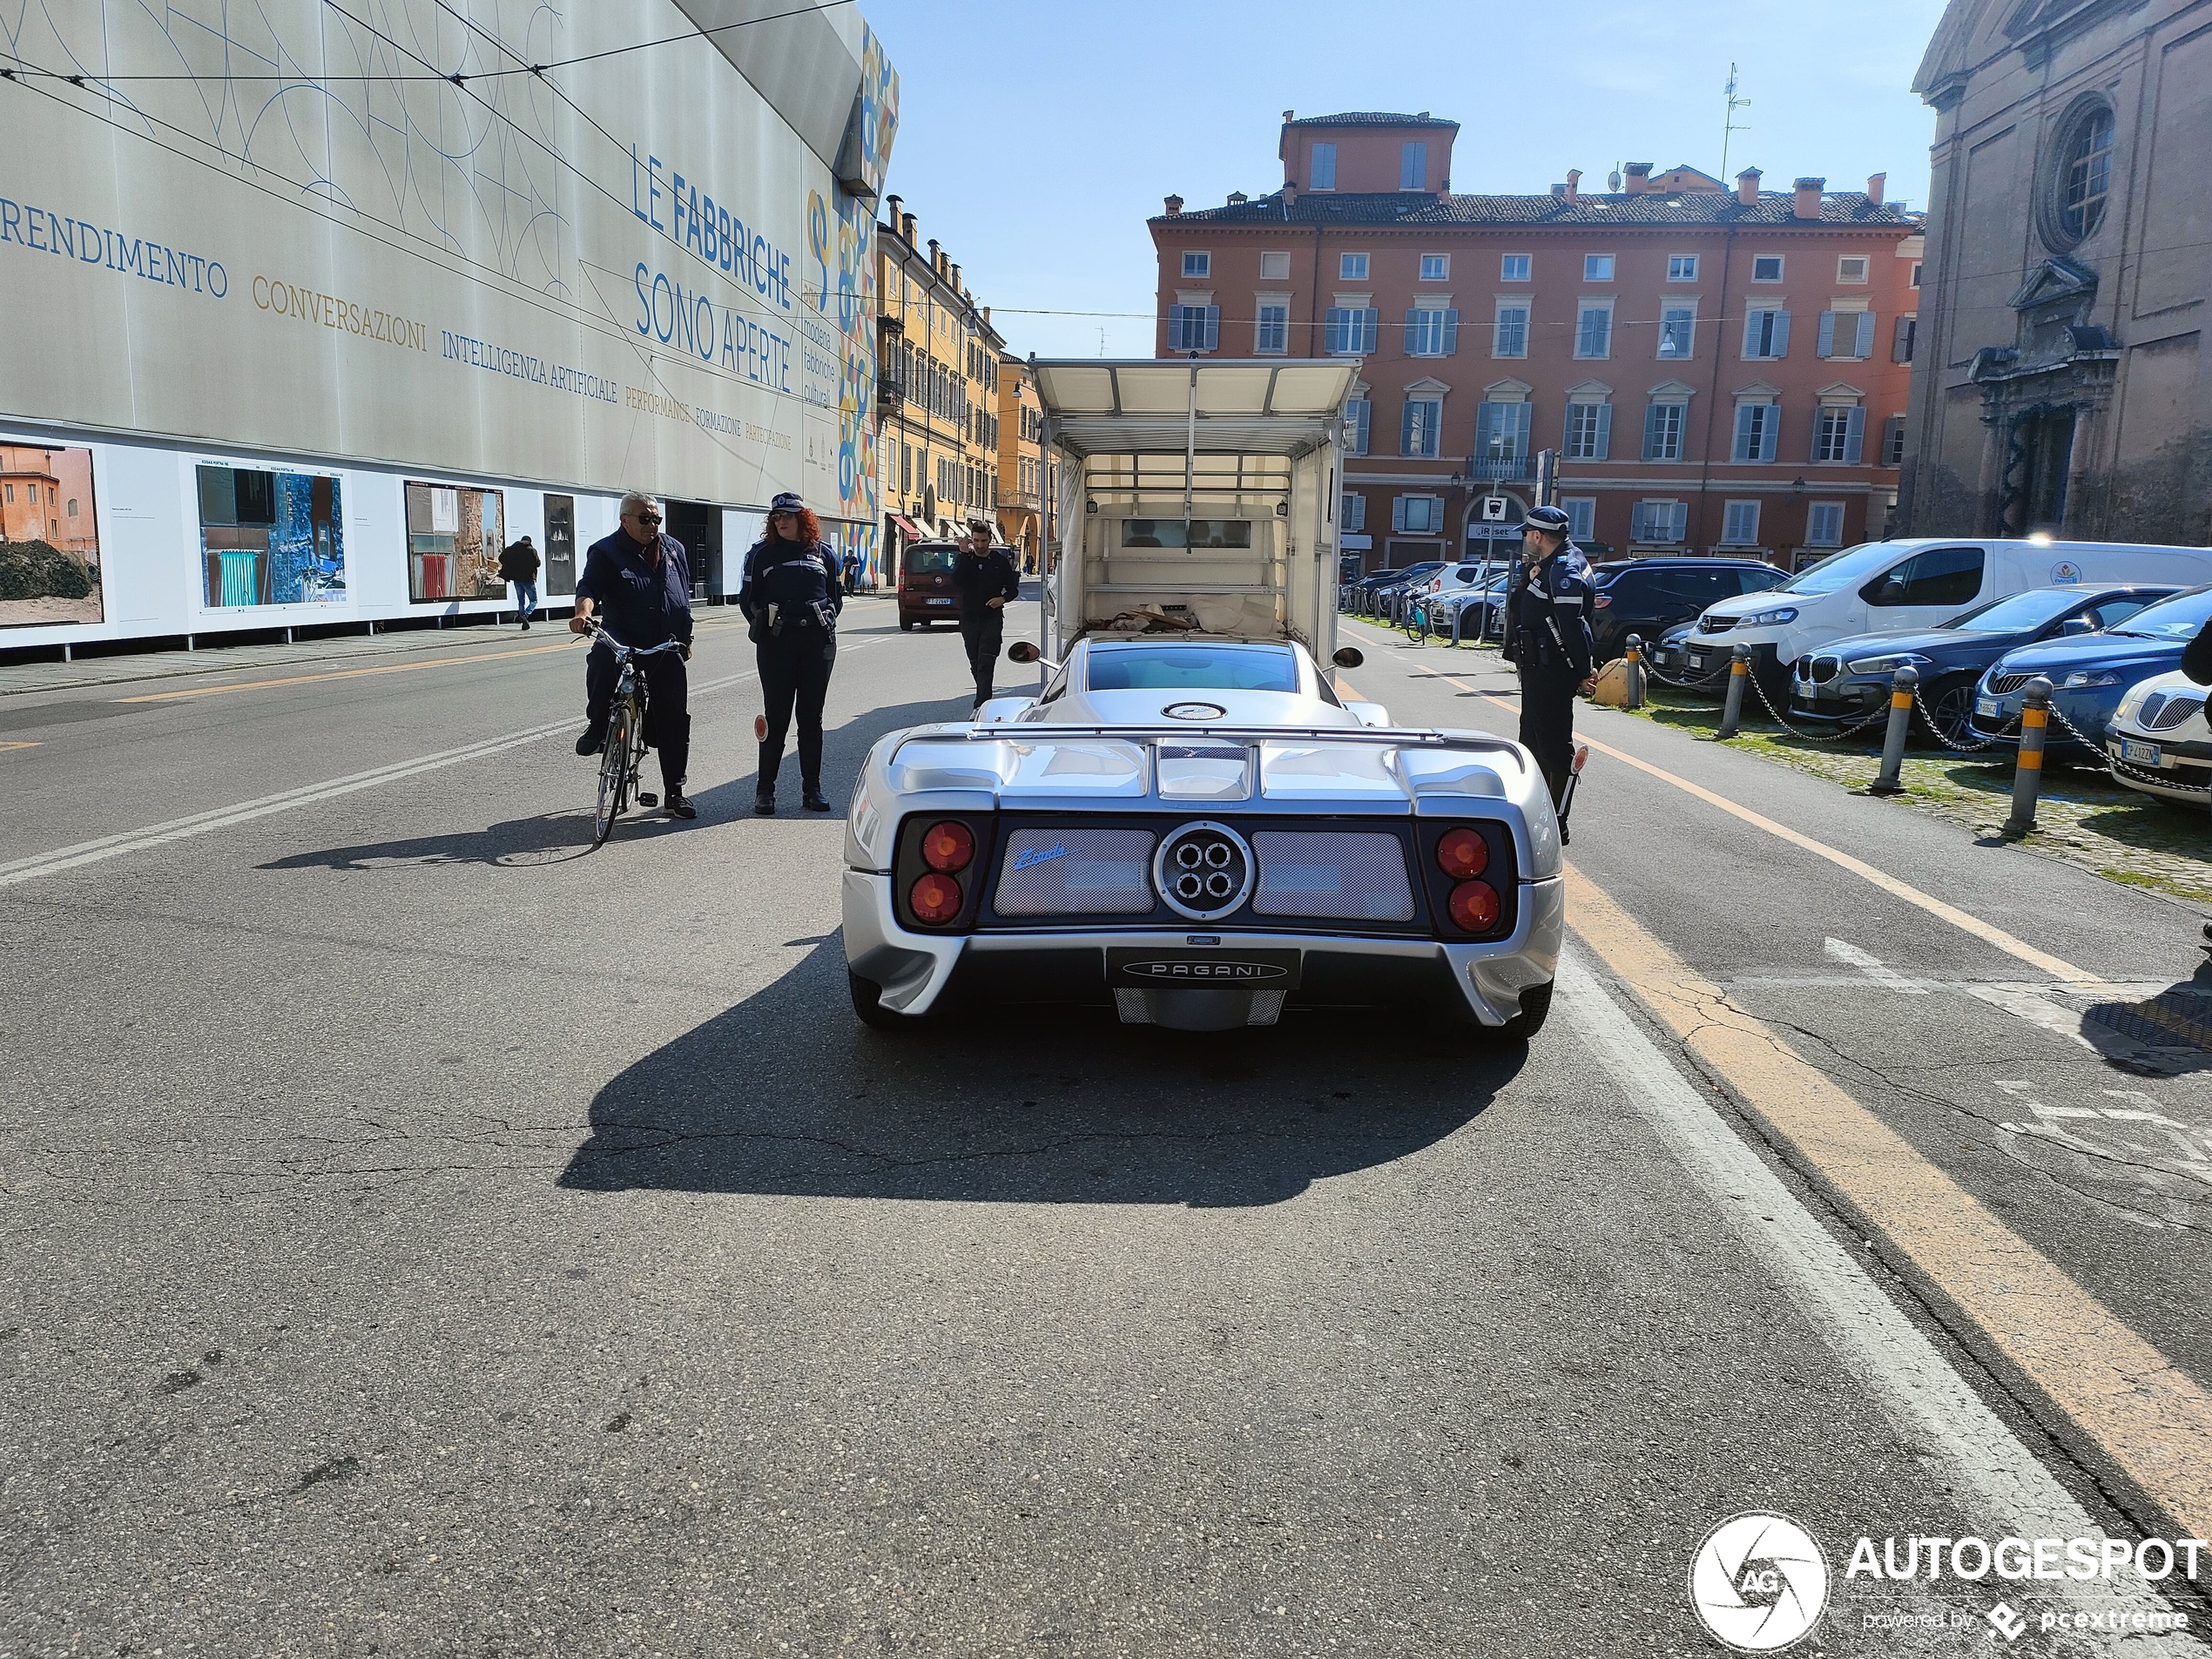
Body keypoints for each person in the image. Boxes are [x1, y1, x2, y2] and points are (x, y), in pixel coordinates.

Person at [570, 492, 696, 820]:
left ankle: (675, 792)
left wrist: (685, 637)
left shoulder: (674, 550)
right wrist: (583, 614)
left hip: (664, 642)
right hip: (622, 636)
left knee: (673, 717)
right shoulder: (606, 551)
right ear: (624, 519)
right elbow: (589, 588)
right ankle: (598, 725)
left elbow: (682, 593)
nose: (651, 525)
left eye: (656, 519)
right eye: (644, 518)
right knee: (600, 659)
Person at [739, 491, 842, 815]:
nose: (781, 521)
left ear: (803, 518)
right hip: (777, 645)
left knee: (811, 719)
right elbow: (748, 600)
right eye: (776, 517)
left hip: (816, 645)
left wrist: (820, 620)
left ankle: (812, 790)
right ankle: (765, 791)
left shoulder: (823, 553)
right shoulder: (761, 555)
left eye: (788, 516)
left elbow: (835, 599)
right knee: (777, 717)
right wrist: (765, 621)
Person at [1501, 504, 1595, 835]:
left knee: (1553, 747)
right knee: (1532, 741)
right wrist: (1529, 577)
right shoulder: (1551, 565)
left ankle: (1557, 821)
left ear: (1538, 536)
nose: (1525, 538)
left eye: (1527, 533)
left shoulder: (1565, 570)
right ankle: (1536, 811)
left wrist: (1583, 670)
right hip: (1537, 667)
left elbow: (1573, 626)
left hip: (1551, 669)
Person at [952, 520, 1020, 708]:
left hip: (992, 619)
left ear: (990, 539)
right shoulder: (966, 559)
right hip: (969, 619)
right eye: (976, 541)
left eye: (983, 540)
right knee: (975, 662)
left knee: (986, 662)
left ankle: (981, 704)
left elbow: (1013, 589)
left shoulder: (999, 561)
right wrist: (964, 554)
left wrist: (1002, 599)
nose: (980, 545)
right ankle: (983, 697)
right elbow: (956, 581)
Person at [499, 533, 541, 631]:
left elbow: (501, 558)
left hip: (517, 579)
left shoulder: (512, 549)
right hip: (528, 579)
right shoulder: (532, 551)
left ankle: (523, 620)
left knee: (521, 601)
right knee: (534, 600)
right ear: (529, 542)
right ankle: (525, 615)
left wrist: (510, 566)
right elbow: (538, 563)